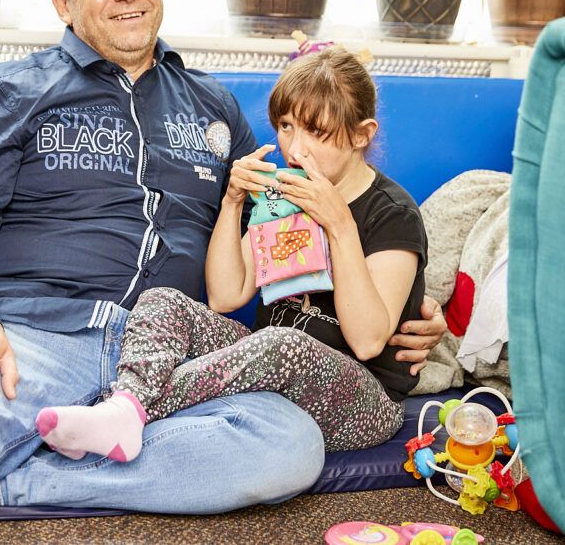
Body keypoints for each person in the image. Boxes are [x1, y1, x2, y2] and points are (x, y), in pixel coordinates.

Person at [0, 0, 445, 543]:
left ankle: (18, 479)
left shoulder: (215, 106)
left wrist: (413, 309)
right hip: (33, 335)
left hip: (175, 355)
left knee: (287, 445)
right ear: (63, 4)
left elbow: (288, 233)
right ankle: (10, 449)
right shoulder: (14, 88)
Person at [36, 47, 426, 462]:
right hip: (269, 364)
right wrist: (233, 201)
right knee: (163, 300)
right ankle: (122, 410)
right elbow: (225, 296)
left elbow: (367, 342)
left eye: (317, 132)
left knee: (282, 343)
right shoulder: (284, 195)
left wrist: (340, 225)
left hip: (363, 401)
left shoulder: (393, 214)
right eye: (287, 127)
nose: (296, 150)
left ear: (361, 134)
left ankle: (120, 412)